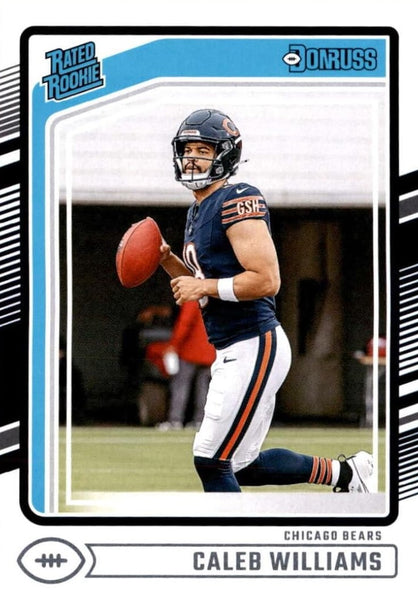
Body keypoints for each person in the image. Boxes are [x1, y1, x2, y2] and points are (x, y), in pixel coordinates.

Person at [158, 108, 373, 493]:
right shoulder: (197, 210)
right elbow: (200, 282)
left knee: (211, 460)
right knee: (242, 466)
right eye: (187, 149)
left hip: (254, 342)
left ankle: (233, 531)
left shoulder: (237, 198)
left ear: (225, 156)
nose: (191, 158)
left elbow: (266, 280)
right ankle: (347, 474)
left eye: (203, 150)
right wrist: (165, 259)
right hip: (231, 346)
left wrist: (202, 288)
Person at [157, 300, 216, 430]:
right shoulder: (214, 296)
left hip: (191, 350)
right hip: (210, 350)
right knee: (204, 388)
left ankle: (175, 420)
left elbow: (185, 323)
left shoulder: (193, 298)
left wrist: (174, 345)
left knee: (180, 386)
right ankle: (200, 421)